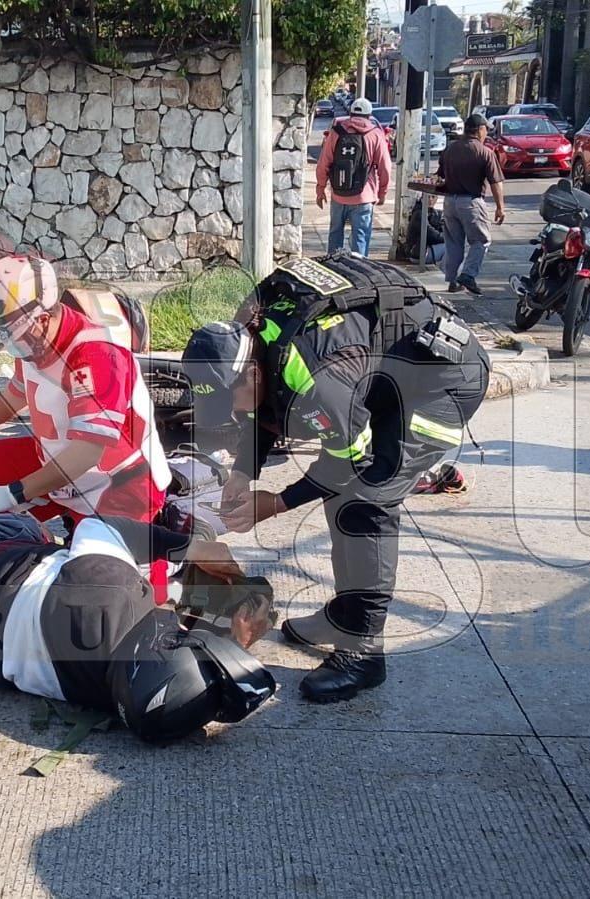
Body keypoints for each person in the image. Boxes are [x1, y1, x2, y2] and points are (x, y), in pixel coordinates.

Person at [182, 253, 490, 703]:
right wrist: (242, 474)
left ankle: (363, 652)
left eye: (233, 399)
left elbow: (347, 461)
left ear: (251, 371)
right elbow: (261, 412)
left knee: (366, 499)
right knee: (341, 494)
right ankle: (344, 614)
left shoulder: (315, 375)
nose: (233, 412)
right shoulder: (245, 333)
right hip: (382, 373)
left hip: (439, 381)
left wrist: (277, 503)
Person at [0, 509, 277, 743]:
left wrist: (196, 547)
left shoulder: (114, 591)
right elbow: (165, 690)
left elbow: (98, 524)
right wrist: (233, 646)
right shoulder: (110, 698)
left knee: (26, 524)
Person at [0, 255, 170, 530]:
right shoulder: (33, 341)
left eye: (8, 335)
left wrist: (12, 493)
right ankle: (63, 507)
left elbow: (88, 452)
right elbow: (19, 393)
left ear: (41, 319)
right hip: (75, 475)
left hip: (122, 483)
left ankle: (161, 548)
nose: (7, 345)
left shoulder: (96, 354)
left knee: (91, 568)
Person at [435, 113, 506, 295]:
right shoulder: (485, 152)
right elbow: (496, 182)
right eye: (486, 130)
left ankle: (452, 281)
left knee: (453, 243)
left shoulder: (450, 150)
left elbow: (439, 177)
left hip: (450, 202)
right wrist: (500, 207)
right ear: (480, 130)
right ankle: (468, 274)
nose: (486, 134)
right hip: (471, 202)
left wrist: (432, 198)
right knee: (481, 240)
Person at [315, 98, 392, 256]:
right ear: (369, 115)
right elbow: (385, 167)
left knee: (335, 234)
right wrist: (382, 193)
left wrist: (320, 189)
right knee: (360, 238)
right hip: (364, 197)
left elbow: (323, 163)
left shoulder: (336, 132)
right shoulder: (375, 134)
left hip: (338, 194)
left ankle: (334, 269)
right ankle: (359, 273)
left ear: (350, 113)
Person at [404, 195, 446, 265]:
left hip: (420, 251)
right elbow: (432, 235)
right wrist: (448, 238)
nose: (430, 200)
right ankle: (445, 271)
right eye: (427, 197)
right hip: (418, 254)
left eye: (433, 197)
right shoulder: (419, 214)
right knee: (451, 247)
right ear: (421, 198)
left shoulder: (429, 212)